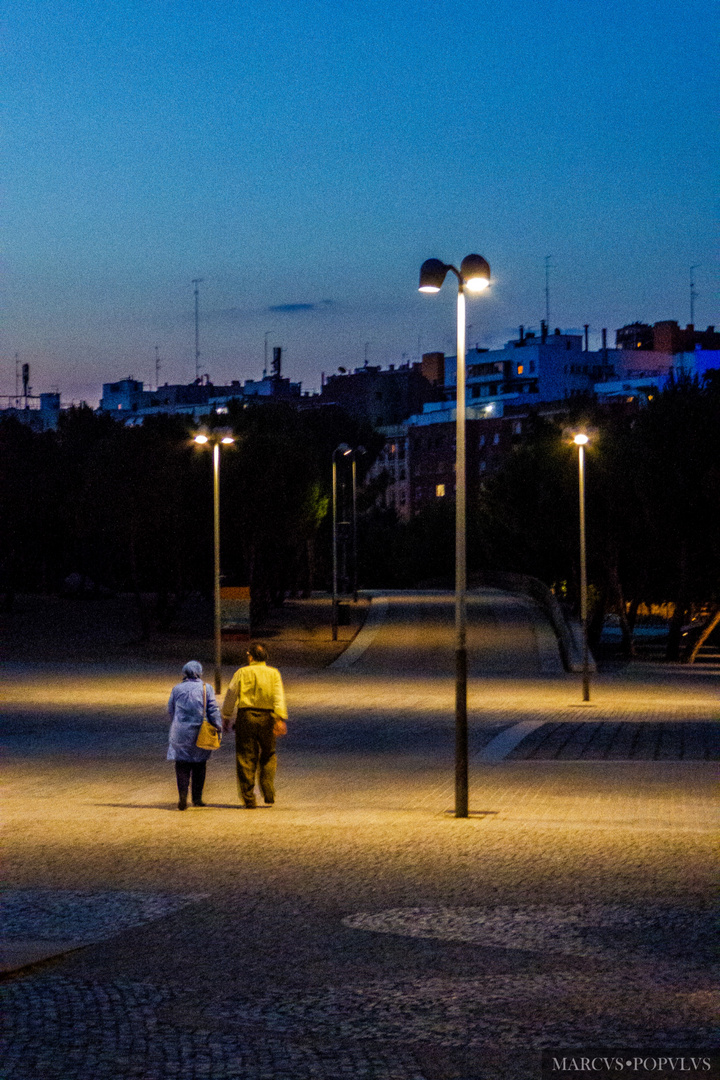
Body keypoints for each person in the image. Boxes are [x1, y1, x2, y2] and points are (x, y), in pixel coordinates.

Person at [221, 643, 288, 808]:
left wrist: (226, 715)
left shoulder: (242, 672)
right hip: (267, 718)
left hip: (246, 716)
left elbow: (231, 693)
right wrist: (279, 718)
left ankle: (249, 798)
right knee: (269, 753)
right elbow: (278, 696)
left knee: (245, 757)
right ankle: (267, 787)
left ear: (250, 656)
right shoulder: (274, 674)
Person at [167, 661, 223, 810]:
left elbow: (170, 709)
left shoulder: (177, 689)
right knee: (199, 765)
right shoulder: (206, 688)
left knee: (182, 765)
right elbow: (213, 709)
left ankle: (183, 796)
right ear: (199, 672)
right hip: (200, 731)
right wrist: (218, 726)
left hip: (180, 732)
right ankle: (197, 798)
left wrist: (177, 721)